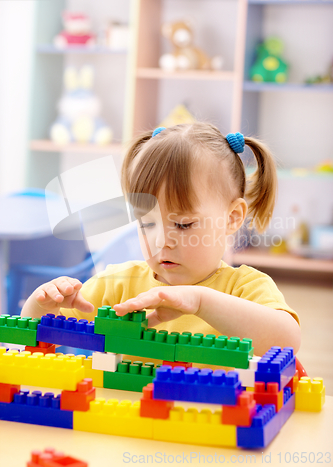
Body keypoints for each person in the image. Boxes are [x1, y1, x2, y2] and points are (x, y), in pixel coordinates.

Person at [21, 123, 301, 356]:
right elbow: (38, 338)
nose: (161, 241)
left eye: (183, 224)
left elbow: (287, 341)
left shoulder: (245, 288)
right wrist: (39, 304)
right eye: (147, 223)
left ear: (232, 217)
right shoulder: (118, 286)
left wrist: (201, 301)